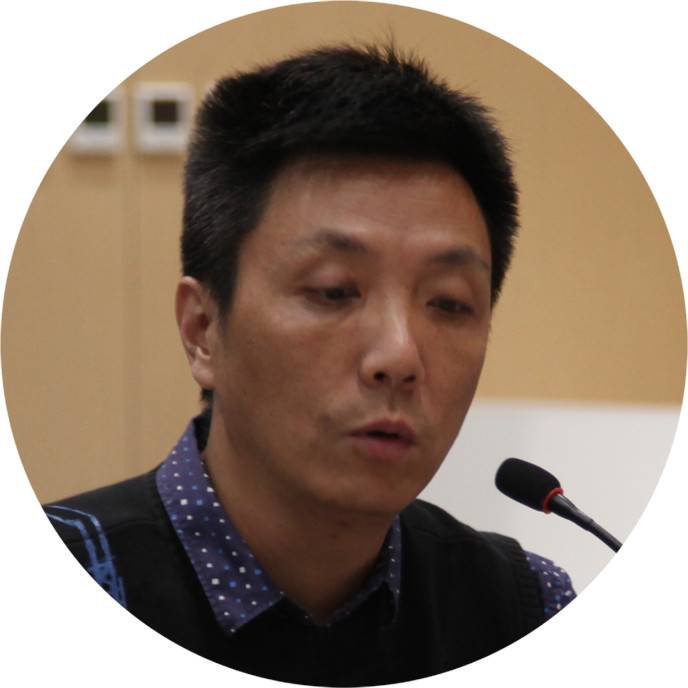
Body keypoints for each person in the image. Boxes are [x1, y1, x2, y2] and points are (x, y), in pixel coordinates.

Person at [45, 44, 575, 685]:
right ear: (203, 331)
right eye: (333, 291)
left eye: (448, 303)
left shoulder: (525, 613)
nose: (399, 356)